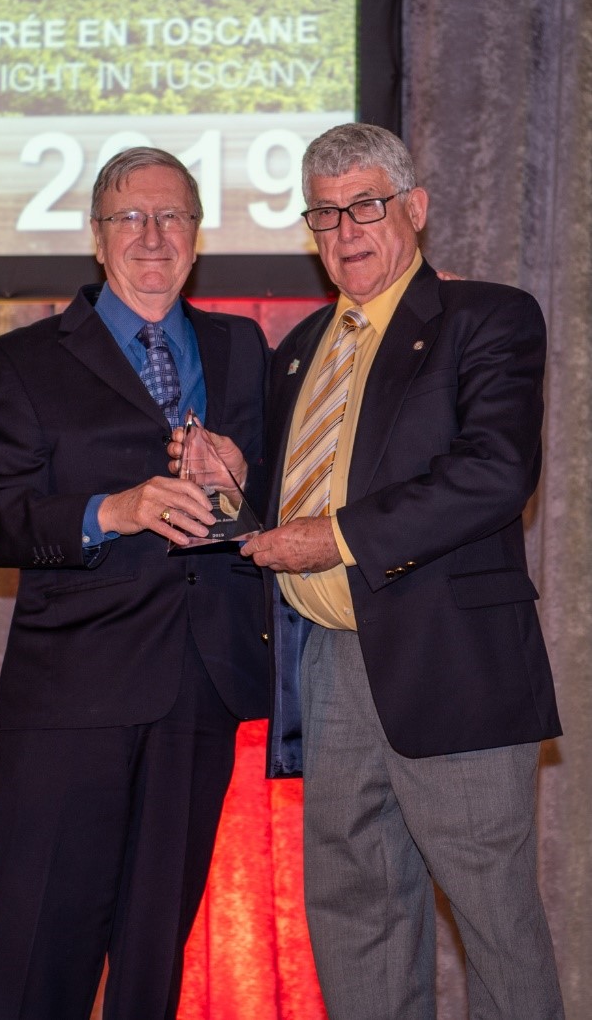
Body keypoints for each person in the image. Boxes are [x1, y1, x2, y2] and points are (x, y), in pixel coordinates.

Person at [242, 122, 565, 1019]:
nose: (346, 230)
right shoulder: (300, 348)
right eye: (325, 213)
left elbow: (494, 473)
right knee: (356, 912)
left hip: (451, 659)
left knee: (495, 921)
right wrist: (237, 479)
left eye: (367, 206)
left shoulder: (487, 316)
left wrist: (335, 537)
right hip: (330, 663)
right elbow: (296, 484)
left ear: (415, 209)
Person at [0, 147, 269, 1020]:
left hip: (200, 688)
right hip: (73, 698)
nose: (152, 235)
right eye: (130, 217)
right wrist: (111, 510)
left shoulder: (242, 347)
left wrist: (245, 481)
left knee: (151, 965)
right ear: (97, 240)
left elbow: (275, 504)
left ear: (197, 236)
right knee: (38, 958)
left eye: (172, 217)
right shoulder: (25, 359)